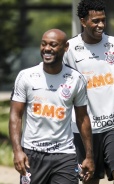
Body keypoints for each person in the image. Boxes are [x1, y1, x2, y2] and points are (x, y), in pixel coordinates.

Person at [63, 0, 114, 183]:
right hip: (82, 128)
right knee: (90, 178)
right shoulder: (70, 48)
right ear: (83, 21)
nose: (101, 25)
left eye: (103, 20)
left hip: (113, 124)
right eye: (95, 21)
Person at [9, 29, 95, 184]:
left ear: (65, 47)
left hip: (64, 155)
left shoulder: (76, 79)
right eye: (44, 44)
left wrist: (89, 156)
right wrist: (17, 151)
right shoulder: (26, 76)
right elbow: (15, 115)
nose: (47, 48)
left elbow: (83, 118)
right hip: (32, 154)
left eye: (53, 45)